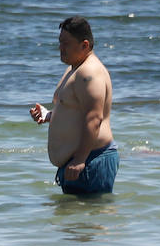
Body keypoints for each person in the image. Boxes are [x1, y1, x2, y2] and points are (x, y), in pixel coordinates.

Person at [29, 16, 118, 195]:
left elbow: (94, 118)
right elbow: (75, 111)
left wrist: (79, 159)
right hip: (80, 162)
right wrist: (49, 115)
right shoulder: (75, 68)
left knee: (90, 219)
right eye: (60, 42)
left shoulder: (89, 73)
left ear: (84, 45)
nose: (60, 48)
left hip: (90, 161)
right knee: (75, 221)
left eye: (66, 43)